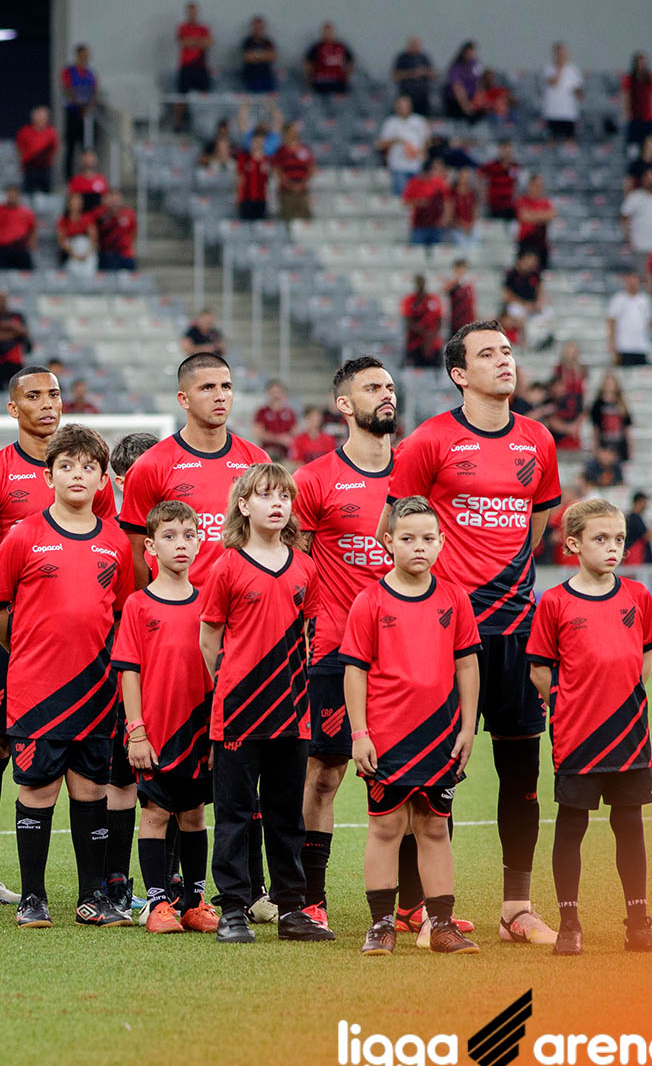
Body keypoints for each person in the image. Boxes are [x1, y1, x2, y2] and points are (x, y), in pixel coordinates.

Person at [385, 319, 562, 945]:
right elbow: (395, 527)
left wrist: (502, 584)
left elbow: (536, 526)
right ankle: (420, 907)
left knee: (521, 771)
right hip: (445, 632)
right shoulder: (429, 440)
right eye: (488, 354)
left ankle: (517, 907)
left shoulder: (539, 439)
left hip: (516, 628)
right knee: (432, 773)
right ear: (460, 374)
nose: (504, 360)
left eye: (508, 350)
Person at [293, 357, 458, 937]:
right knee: (324, 775)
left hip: (416, 657)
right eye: (371, 387)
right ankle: (311, 899)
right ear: (344, 404)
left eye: (389, 386)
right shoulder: (314, 479)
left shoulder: (419, 471)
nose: (386, 394)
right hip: (336, 650)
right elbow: (297, 566)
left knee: (425, 776)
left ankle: (417, 906)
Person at [0, 368, 117, 910]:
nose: (47, 403)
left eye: (54, 393)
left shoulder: (103, 514)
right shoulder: (2, 486)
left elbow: (113, 586)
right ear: (14, 408)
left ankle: (100, 891)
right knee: (1, 757)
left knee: (91, 780)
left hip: (89, 667)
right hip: (22, 651)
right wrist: (23, 636)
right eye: (34, 395)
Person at [528, 499, 652, 955]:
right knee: (571, 825)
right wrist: (568, 703)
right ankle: (569, 925)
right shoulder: (554, 602)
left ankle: (638, 926)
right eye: (600, 538)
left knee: (629, 824)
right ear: (573, 544)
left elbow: (645, 656)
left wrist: (622, 698)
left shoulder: (638, 595)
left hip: (629, 733)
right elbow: (540, 670)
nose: (613, 547)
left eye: (619, 539)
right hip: (577, 735)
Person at [196, 464, 331, 944]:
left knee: (286, 815)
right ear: (243, 505)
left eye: (284, 496)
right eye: (265, 495)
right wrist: (232, 686)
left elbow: (310, 633)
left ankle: (291, 908)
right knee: (234, 815)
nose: (277, 504)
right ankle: (233, 909)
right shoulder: (227, 565)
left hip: (292, 714)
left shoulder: (305, 566)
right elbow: (209, 638)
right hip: (238, 714)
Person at [344, 496, 482, 957]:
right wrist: (360, 733)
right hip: (387, 737)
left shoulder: (455, 598)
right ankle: (381, 924)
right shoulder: (369, 600)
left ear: (441, 542)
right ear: (388, 542)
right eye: (407, 538)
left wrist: (467, 728)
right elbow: (355, 671)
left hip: (440, 736)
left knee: (434, 827)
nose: (418, 547)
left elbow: (467, 666)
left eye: (427, 538)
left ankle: (440, 925)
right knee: (385, 828)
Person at [114, 499, 219, 932]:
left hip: (199, 729)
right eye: (170, 536)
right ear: (151, 547)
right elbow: (129, 672)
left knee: (194, 814)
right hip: (155, 732)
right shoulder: (138, 605)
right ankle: (158, 904)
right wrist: (137, 732)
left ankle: (194, 902)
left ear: (200, 542)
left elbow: (220, 671)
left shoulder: (209, 603)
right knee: (155, 813)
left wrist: (216, 732)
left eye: (189, 535)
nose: (181, 544)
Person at [121, 353, 271, 588]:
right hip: (181, 605)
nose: (220, 396)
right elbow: (134, 551)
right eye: (207, 388)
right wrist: (151, 605)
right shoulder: (151, 465)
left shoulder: (257, 460)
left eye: (226, 387)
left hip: (247, 602)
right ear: (184, 399)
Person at [377, 95, 429, 196]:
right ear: (396, 107)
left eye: (406, 105)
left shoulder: (419, 121)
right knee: (402, 196)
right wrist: (397, 140)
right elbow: (380, 145)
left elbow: (427, 140)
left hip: (416, 165)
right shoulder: (390, 122)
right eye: (401, 106)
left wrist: (423, 151)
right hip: (398, 166)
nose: (404, 108)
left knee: (417, 196)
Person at [60, 44, 98, 178]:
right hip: (73, 113)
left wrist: (89, 106)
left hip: (86, 114)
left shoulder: (90, 74)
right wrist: (80, 105)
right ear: (78, 54)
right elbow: (67, 89)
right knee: (70, 146)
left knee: (86, 146)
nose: (87, 56)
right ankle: (69, 178)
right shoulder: (69, 71)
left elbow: (94, 92)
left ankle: (86, 175)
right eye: (84, 54)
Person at [0, 184, 36, 272]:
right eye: (9, 193)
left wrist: (32, 244)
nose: (12, 196)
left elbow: (32, 230)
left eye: (14, 194)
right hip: (0, 250)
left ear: (18, 196)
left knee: (26, 274)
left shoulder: (26, 212)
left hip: (20, 249)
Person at [607, 271, 652, 366]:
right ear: (626, 281)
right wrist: (612, 345)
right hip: (624, 347)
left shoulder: (646, 300)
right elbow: (611, 322)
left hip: (642, 347)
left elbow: (650, 322)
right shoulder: (618, 299)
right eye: (630, 279)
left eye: (635, 279)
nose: (633, 282)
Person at [402, 158, 450, 249]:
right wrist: (419, 202)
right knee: (415, 251)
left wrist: (445, 217)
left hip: (436, 224)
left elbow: (447, 200)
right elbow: (405, 202)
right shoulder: (414, 182)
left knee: (437, 252)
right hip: (419, 224)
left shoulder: (439, 182)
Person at [540, 43, 583, 142]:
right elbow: (553, 83)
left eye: (563, 53)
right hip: (552, 113)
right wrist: (560, 68)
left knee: (569, 143)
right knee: (551, 142)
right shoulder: (548, 69)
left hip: (569, 114)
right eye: (559, 53)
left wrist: (578, 95)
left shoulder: (573, 70)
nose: (562, 56)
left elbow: (578, 89)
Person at [402, 275, 444, 368]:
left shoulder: (434, 299)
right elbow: (409, 321)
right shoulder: (409, 300)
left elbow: (439, 321)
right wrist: (425, 334)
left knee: (436, 371)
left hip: (434, 344)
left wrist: (431, 336)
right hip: (415, 344)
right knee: (417, 372)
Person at [16, 107, 58, 194]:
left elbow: (54, 148)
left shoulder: (51, 132)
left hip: (45, 168)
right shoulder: (25, 131)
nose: (41, 119)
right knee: (28, 193)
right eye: (38, 116)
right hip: (29, 168)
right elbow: (19, 148)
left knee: (47, 193)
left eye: (43, 117)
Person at [304, 22, 353, 96]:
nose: (328, 34)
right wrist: (309, 77)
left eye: (329, 32)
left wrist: (347, 76)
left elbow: (350, 61)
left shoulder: (340, 46)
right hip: (321, 81)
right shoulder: (317, 47)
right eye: (325, 32)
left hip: (338, 81)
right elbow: (308, 62)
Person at [252, 380, 297, 460]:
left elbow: (295, 433)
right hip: (268, 452)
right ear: (268, 393)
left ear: (283, 393)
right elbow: (259, 434)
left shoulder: (290, 412)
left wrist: (289, 440)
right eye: (273, 392)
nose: (276, 395)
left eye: (278, 392)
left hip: (286, 454)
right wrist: (279, 439)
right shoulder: (262, 412)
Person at [391, 36, 435, 116]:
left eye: (417, 45)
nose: (415, 47)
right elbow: (395, 76)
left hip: (422, 94)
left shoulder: (424, 58)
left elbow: (433, 74)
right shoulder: (402, 58)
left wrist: (424, 72)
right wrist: (411, 73)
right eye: (413, 44)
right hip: (406, 93)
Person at [621, 52, 652, 150]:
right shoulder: (630, 79)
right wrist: (626, 112)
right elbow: (626, 95)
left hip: (648, 117)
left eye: (643, 63)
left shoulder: (650, 78)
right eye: (640, 63)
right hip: (635, 117)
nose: (641, 66)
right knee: (634, 143)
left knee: (648, 142)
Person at [442, 40, 482, 122]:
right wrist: (465, 105)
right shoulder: (456, 68)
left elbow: (479, 82)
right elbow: (457, 88)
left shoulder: (475, 64)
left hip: (472, 99)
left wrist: (478, 101)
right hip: (457, 101)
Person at [240, 16, 276, 95]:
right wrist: (264, 56)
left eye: (260, 27)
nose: (258, 30)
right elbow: (247, 57)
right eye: (256, 27)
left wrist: (256, 55)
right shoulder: (247, 42)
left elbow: (272, 57)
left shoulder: (268, 42)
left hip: (266, 74)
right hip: (252, 74)